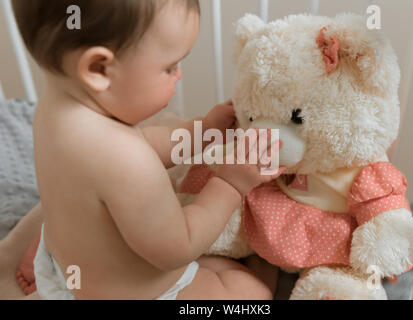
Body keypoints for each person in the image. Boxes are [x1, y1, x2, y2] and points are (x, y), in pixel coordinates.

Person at [7, 0, 283, 299]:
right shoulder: (124, 159)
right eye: (169, 67)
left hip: (68, 269)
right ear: (98, 69)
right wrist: (230, 182)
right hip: (135, 293)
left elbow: (143, 145)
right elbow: (180, 245)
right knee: (252, 293)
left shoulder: (55, 108)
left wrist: (204, 132)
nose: (178, 75)